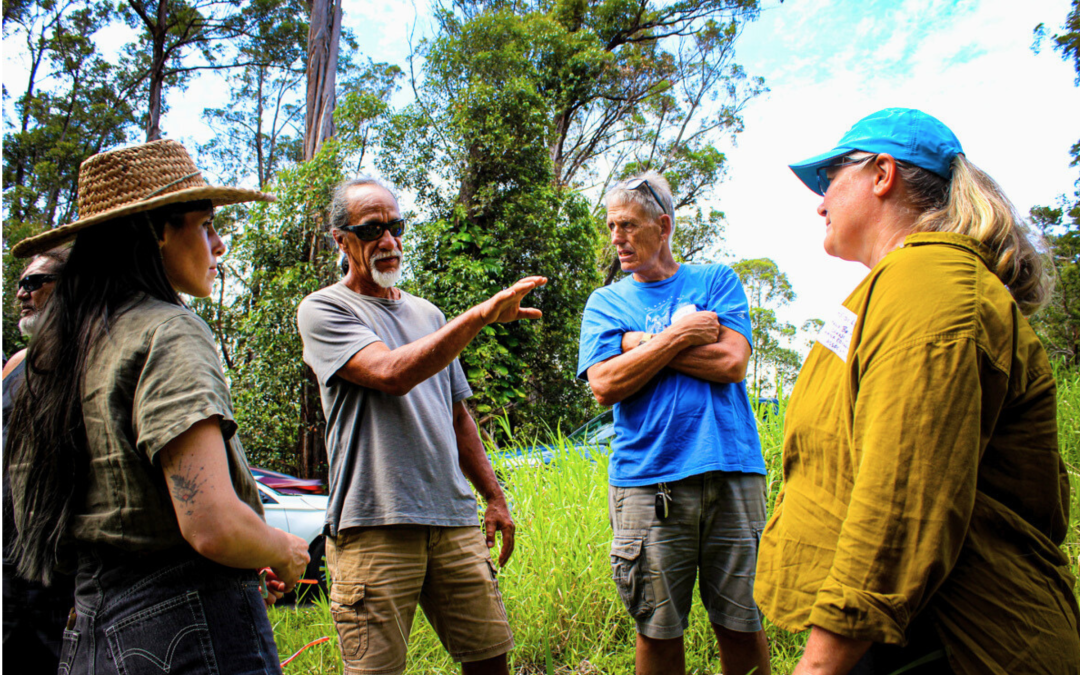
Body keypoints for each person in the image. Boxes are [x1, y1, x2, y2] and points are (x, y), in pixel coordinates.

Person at [755, 108, 1080, 674]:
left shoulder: (929, 285)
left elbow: (900, 498)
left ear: (882, 175)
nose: (820, 201)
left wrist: (819, 666)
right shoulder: (898, 285)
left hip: (951, 643)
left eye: (830, 178)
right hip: (909, 635)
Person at [5, 139, 312, 675]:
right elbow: (211, 523)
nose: (218, 245)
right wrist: (282, 548)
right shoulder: (169, 330)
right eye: (205, 225)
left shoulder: (60, 351)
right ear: (157, 231)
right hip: (187, 631)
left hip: (89, 630)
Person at [296, 176, 545, 675]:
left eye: (395, 227)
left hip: (452, 520)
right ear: (341, 240)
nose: (388, 242)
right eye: (371, 231)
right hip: (373, 523)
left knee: (490, 658)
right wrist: (477, 317)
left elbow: (456, 416)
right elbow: (391, 373)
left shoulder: (429, 314)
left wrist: (493, 497)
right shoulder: (324, 309)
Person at [577, 171, 771, 675]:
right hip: (649, 480)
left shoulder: (716, 280)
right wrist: (680, 335)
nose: (616, 238)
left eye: (627, 225)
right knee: (658, 629)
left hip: (733, 471)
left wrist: (636, 344)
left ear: (662, 225)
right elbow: (604, 385)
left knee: (742, 621)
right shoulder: (606, 302)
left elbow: (731, 363)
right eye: (611, 226)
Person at [3, 249, 76, 674]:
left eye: (35, 282)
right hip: (6, 562)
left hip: (55, 570)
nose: (21, 293)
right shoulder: (16, 363)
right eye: (20, 283)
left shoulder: (87, 356)